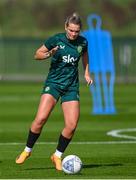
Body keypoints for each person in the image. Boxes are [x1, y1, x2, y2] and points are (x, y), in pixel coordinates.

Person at [15, 12, 93, 171]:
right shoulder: (56, 39)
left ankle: (57, 155)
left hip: (71, 87)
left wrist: (86, 73)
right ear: (66, 27)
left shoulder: (83, 42)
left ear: (80, 31)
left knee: (71, 125)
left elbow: (85, 55)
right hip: (54, 84)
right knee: (40, 119)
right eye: (71, 30)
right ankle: (27, 151)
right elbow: (37, 55)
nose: (73, 33)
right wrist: (50, 53)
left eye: (76, 31)